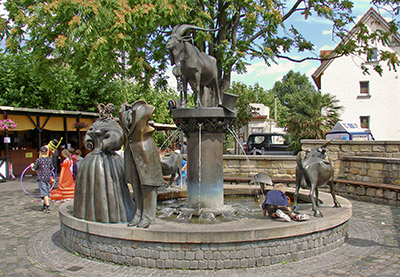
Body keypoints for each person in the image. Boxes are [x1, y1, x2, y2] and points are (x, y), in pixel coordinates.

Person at [31, 146, 54, 213]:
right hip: (48, 177)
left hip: (41, 178)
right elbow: (52, 168)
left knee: (44, 193)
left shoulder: (38, 160)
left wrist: (32, 165)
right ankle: (44, 205)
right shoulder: (49, 160)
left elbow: (34, 168)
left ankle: (47, 207)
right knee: (47, 190)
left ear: (40, 152)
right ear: (47, 152)